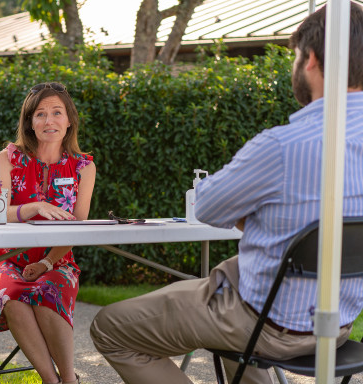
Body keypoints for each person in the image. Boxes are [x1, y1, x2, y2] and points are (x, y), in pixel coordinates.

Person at [90, 3, 363, 383]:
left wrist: (249, 213)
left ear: (312, 60)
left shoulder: (282, 147)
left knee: (110, 328)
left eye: (295, 57)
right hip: (339, 323)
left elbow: (207, 207)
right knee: (233, 293)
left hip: (265, 323)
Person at [0, 82, 96, 384]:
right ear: (30, 122)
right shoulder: (6, 159)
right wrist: (30, 208)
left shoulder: (83, 168)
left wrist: (46, 264)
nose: (49, 121)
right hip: (3, 261)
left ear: (69, 120)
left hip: (57, 261)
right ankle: (51, 380)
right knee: (13, 295)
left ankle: (68, 379)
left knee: (47, 291)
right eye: (40, 114)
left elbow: (77, 228)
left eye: (57, 112)